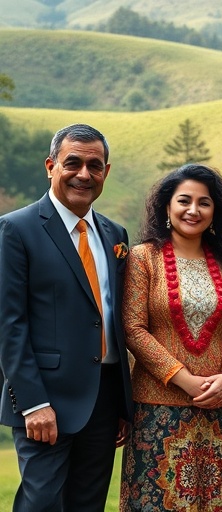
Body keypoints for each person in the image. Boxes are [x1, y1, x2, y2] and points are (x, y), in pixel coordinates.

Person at [0, 123, 133, 511]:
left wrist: (121, 404)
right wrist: (32, 403)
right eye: (72, 163)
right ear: (51, 166)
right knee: (41, 504)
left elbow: (112, 318)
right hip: (46, 402)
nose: (84, 174)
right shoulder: (15, 229)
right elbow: (9, 325)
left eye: (95, 166)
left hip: (104, 401)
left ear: (106, 172)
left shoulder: (115, 235)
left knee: (88, 505)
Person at [119, 163, 222, 511]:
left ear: (215, 211)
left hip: (220, 411)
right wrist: (185, 380)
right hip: (157, 409)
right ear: (167, 205)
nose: (193, 210)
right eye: (184, 200)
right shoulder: (143, 258)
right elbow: (133, 328)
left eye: (204, 202)